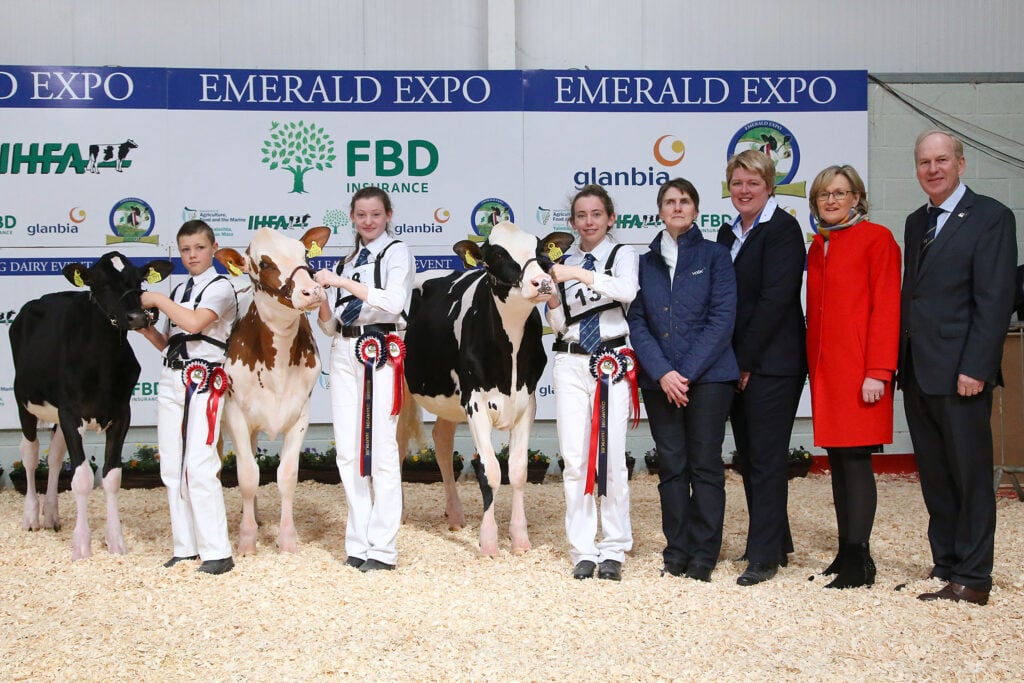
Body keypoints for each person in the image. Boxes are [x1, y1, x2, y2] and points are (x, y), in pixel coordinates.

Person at [900, 130, 1017, 606]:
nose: (934, 169)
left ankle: (973, 577)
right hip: (920, 370)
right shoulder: (916, 221)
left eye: (942, 160)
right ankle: (947, 560)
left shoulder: (991, 217)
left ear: (961, 164)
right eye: (925, 162)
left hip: (962, 373)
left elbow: (994, 300)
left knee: (969, 477)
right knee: (936, 473)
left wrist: (976, 367)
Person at [627, 178, 738, 582]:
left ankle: (705, 553)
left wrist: (685, 373)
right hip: (661, 382)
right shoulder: (643, 263)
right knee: (672, 466)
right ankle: (676, 549)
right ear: (659, 210)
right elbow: (637, 323)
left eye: (685, 201)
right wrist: (663, 372)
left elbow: (722, 320)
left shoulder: (716, 256)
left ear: (695, 210)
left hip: (708, 380)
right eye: (670, 201)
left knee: (705, 465)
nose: (677, 207)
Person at [805, 165, 901, 589]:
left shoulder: (877, 239)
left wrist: (878, 371)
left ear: (857, 198)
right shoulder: (820, 246)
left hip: (861, 372)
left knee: (857, 461)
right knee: (840, 462)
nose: (831, 200)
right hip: (829, 371)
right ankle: (846, 552)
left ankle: (861, 560)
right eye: (824, 194)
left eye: (840, 193)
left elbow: (887, 309)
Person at [716, 150, 807, 586]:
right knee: (751, 457)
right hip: (738, 363)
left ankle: (764, 555)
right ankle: (777, 541)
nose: (744, 190)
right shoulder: (727, 232)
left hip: (772, 363)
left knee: (767, 459)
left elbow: (775, 301)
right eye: (737, 183)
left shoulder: (784, 230)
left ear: (770, 185)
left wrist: (745, 361)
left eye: (753, 182)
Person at [315, 187, 413, 572]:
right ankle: (358, 542)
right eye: (361, 215)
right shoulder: (345, 260)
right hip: (343, 351)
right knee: (348, 450)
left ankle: (384, 549)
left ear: (388, 214)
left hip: (380, 350)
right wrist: (320, 297)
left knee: (383, 449)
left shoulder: (397, 252)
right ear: (352, 217)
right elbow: (330, 324)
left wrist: (342, 285)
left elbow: (393, 302)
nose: (368, 221)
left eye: (375, 214)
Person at [545, 184, 639, 581]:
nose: (588, 222)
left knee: (613, 458)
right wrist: (551, 298)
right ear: (572, 222)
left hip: (612, 360)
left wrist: (578, 273)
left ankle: (614, 547)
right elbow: (559, 323)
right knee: (576, 459)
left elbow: (627, 290)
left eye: (596, 214)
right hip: (570, 361)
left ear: (610, 218)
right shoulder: (562, 263)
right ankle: (583, 548)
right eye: (581, 216)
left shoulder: (622, 255)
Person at [138, 219, 236, 575]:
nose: (192, 255)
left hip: (205, 378)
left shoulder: (223, 287)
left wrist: (157, 299)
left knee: (199, 463)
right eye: (185, 250)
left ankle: (217, 552)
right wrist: (144, 326)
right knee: (172, 465)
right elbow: (168, 341)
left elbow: (195, 324)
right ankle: (185, 546)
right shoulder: (179, 290)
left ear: (213, 248)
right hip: (173, 375)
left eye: (198, 248)